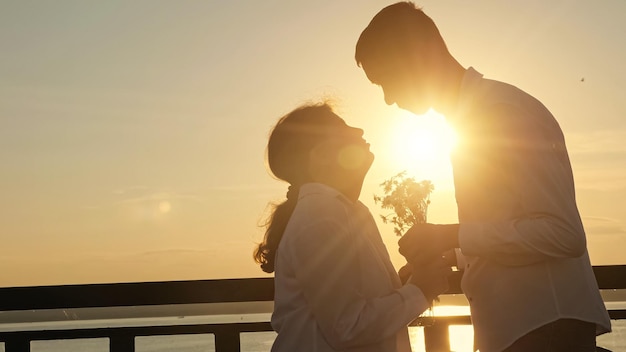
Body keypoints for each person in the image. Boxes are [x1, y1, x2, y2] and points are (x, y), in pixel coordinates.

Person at [355, 2, 611, 352]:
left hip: (545, 329)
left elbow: (564, 235)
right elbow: (513, 228)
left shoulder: (501, 112)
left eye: (386, 78)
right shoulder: (472, 118)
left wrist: (452, 234)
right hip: (530, 329)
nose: (386, 98)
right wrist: (451, 252)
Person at [253, 102, 451, 352]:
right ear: (321, 156)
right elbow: (348, 325)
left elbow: (347, 304)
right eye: (343, 129)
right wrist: (420, 290)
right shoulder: (320, 217)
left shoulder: (347, 211)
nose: (358, 131)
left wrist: (402, 284)